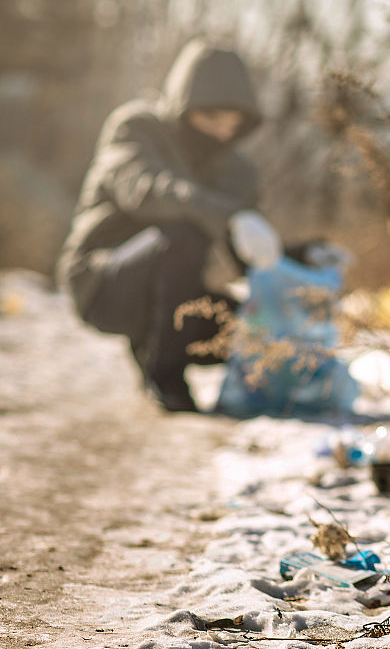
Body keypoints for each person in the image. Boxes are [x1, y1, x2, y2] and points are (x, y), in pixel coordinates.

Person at [58, 39, 281, 412]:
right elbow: (146, 191)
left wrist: (295, 259)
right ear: (185, 107)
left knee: (255, 330)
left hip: (176, 294)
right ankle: (166, 375)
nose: (222, 132)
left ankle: (156, 349)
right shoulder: (136, 129)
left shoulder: (235, 170)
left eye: (233, 124)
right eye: (211, 119)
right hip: (104, 282)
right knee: (185, 232)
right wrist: (227, 216)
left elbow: (247, 250)